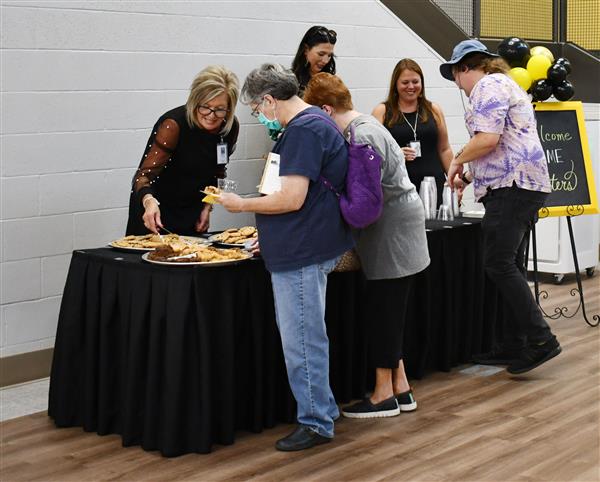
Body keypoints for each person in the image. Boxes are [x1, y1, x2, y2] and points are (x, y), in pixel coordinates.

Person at [218, 64, 353, 451]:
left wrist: (240, 204)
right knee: (309, 334)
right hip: (304, 245)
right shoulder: (314, 124)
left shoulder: (304, 132)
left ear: (269, 100)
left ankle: (315, 421)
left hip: (301, 251)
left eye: (258, 109)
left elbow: (292, 198)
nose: (260, 117)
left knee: (302, 340)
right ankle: (321, 407)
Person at [304, 73, 430, 418]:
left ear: (326, 110)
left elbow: (363, 207)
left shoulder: (360, 137)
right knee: (392, 313)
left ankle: (382, 395)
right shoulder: (365, 127)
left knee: (383, 313)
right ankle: (401, 388)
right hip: (401, 225)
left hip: (390, 234)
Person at [441, 39, 561, 374]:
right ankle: (514, 344)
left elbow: (487, 139)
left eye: (455, 76)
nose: (457, 85)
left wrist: (455, 163)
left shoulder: (486, 85)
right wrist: (468, 175)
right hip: (521, 185)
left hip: (513, 186)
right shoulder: (506, 84)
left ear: (464, 68)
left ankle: (541, 339)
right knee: (512, 265)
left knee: (498, 263)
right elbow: (501, 144)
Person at [126, 65, 239, 236]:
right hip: (156, 212)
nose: (211, 114)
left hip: (192, 213)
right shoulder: (174, 125)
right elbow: (143, 177)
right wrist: (149, 201)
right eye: (205, 106)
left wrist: (207, 207)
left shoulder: (228, 128)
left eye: (220, 109)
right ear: (194, 102)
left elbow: (218, 173)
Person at [372, 59, 454, 205]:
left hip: (433, 185)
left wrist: (454, 179)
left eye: (415, 82)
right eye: (405, 82)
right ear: (395, 85)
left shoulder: (433, 109)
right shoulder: (382, 111)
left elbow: (444, 149)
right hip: (399, 187)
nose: (411, 86)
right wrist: (395, 154)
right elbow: (372, 153)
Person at [291, 25, 337, 97]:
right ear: (306, 50)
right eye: (321, 54)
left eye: (329, 55)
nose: (325, 61)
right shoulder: (290, 81)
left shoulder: (331, 81)